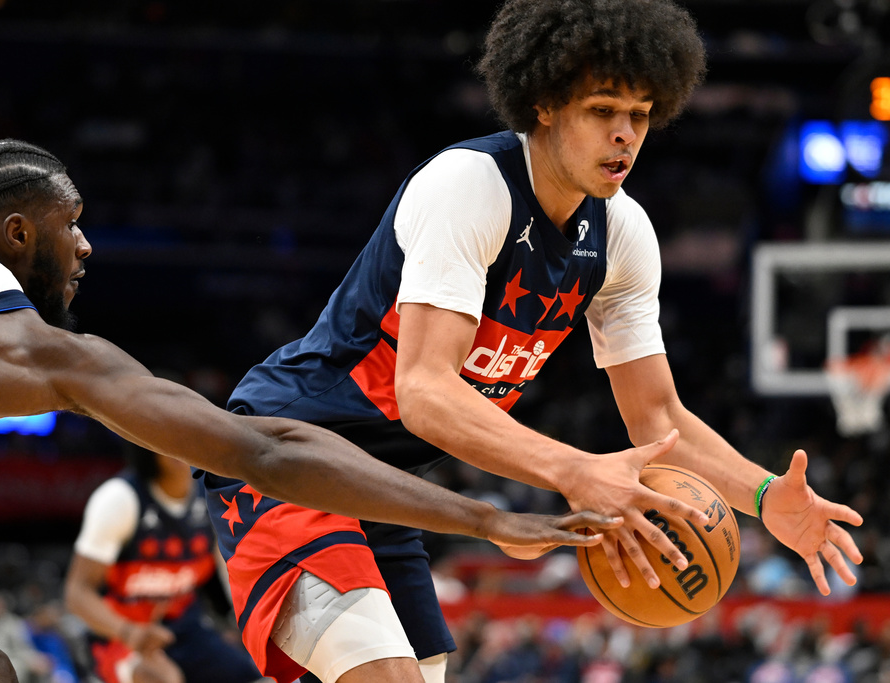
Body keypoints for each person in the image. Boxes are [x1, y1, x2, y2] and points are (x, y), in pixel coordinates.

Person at [198, 1, 866, 683]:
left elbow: (658, 419)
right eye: (603, 110)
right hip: (290, 450)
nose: (624, 135)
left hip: (383, 491)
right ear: (545, 102)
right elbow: (425, 391)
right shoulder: (470, 186)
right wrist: (574, 469)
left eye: (640, 115)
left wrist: (761, 497)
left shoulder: (624, 235)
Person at [0, 138, 634, 681]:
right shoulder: (27, 350)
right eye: (71, 225)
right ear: (18, 233)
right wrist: (488, 519)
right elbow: (263, 453)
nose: (87, 246)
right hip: (245, 530)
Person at [64, 446, 267, 683]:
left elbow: (233, 577)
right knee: (161, 678)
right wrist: (128, 632)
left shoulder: (215, 496)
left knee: (258, 676)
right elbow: (76, 593)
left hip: (185, 627)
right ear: (148, 445)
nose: (180, 443)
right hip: (119, 634)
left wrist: (249, 628)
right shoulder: (119, 498)